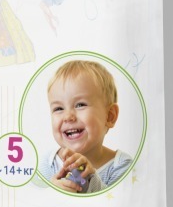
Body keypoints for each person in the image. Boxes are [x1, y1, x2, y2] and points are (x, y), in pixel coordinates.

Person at [39, 60, 133, 193]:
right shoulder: (47, 164)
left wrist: (90, 181)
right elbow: (30, 199)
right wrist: (51, 191)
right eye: (59, 108)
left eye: (80, 105)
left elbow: (118, 203)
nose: (68, 117)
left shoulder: (121, 167)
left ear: (109, 116)